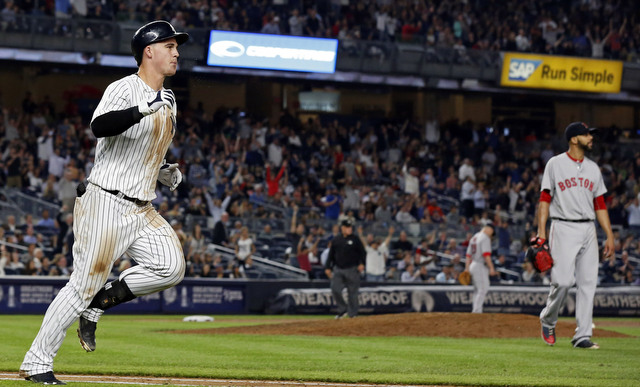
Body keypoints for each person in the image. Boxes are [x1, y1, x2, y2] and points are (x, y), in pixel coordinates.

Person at [19, 20, 190, 385]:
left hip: (142, 208)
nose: (177, 52)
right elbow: (100, 127)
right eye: (170, 46)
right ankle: (36, 364)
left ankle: (99, 305)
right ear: (149, 50)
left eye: (177, 47)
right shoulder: (126, 88)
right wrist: (144, 108)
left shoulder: (168, 102)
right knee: (80, 285)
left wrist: (164, 171)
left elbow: (142, 151)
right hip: (105, 203)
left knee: (171, 267)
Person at [537, 122, 615, 350]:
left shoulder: (593, 168)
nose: (591, 138)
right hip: (563, 226)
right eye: (586, 134)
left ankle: (582, 335)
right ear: (573, 139)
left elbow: (600, 204)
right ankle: (548, 319)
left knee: (588, 283)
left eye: (591, 135)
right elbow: (544, 199)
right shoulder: (555, 164)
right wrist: (541, 233)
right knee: (562, 282)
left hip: (588, 228)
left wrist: (609, 235)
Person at [324, 218, 366, 319]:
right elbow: (331, 255)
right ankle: (342, 310)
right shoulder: (336, 240)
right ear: (342, 228)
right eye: (347, 227)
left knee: (352, 293)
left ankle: (353, 314)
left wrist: (362, 263)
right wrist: (327, 267)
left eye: (350, 227)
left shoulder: (355, 239)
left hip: (352, 269)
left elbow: (363, 253)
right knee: (335, 289)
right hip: (338, 269)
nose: (349, 229)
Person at [463, 223, 497, 313]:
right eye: (492, 232)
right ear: (489, 229)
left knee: (477, 290)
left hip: (472, 265)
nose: (491, 235)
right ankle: (476, 311)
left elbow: (468, 255)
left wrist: (467, 268)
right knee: (483, 289)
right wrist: (492, 268)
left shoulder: (474, 237)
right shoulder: (485, 237)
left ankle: (476, 310)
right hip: (479, 265)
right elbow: (486, 255)